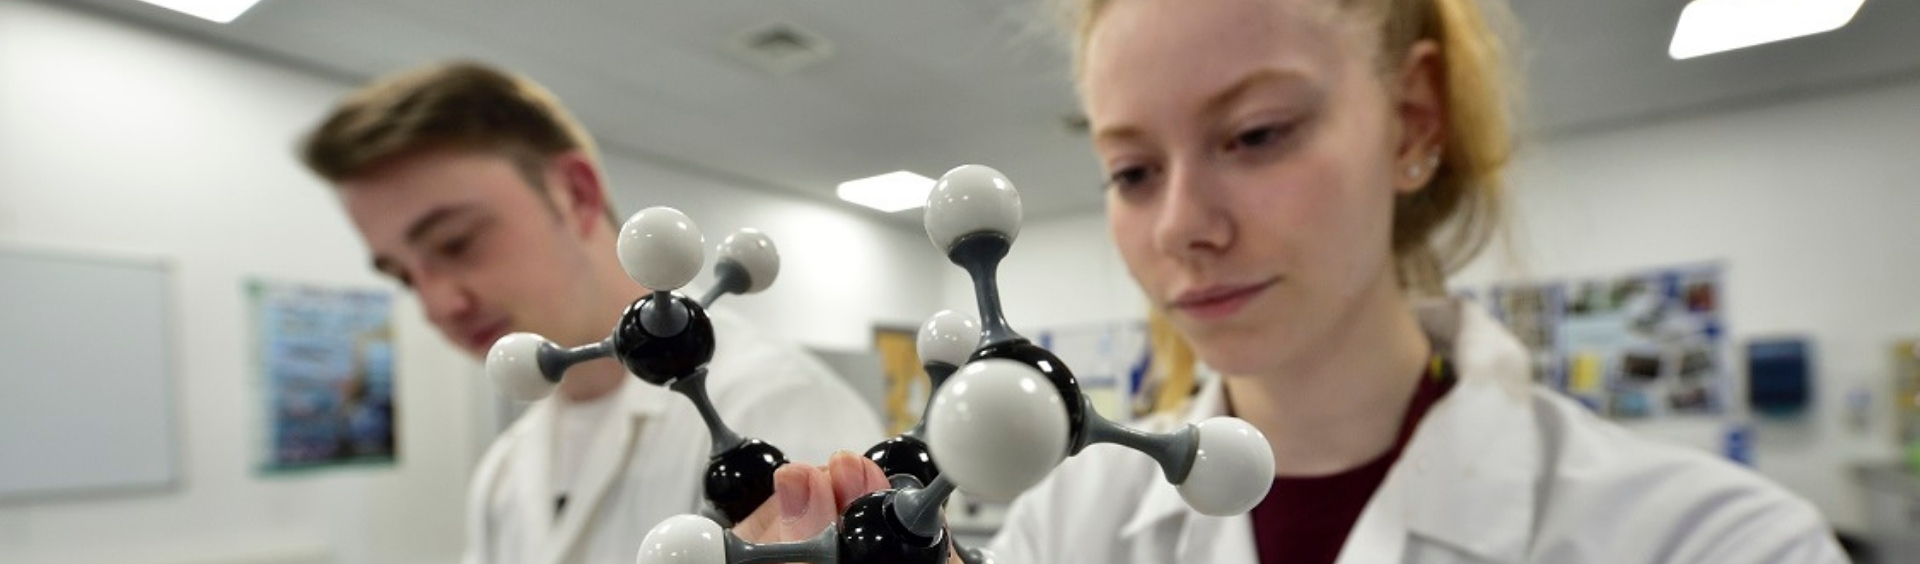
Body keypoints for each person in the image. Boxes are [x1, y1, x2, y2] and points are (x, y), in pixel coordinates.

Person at [733, 0, 1851, 562]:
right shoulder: (1070, 523)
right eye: (1130, 168)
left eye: (1258, 134)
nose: (1182, 228)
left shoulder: (1712, 543)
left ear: (1412, 122)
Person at [296, 61, 884, 564]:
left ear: (575, 194)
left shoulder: (774, 407)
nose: (436, 305)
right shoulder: (505, 470)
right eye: (403, 275)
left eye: (454, 242)